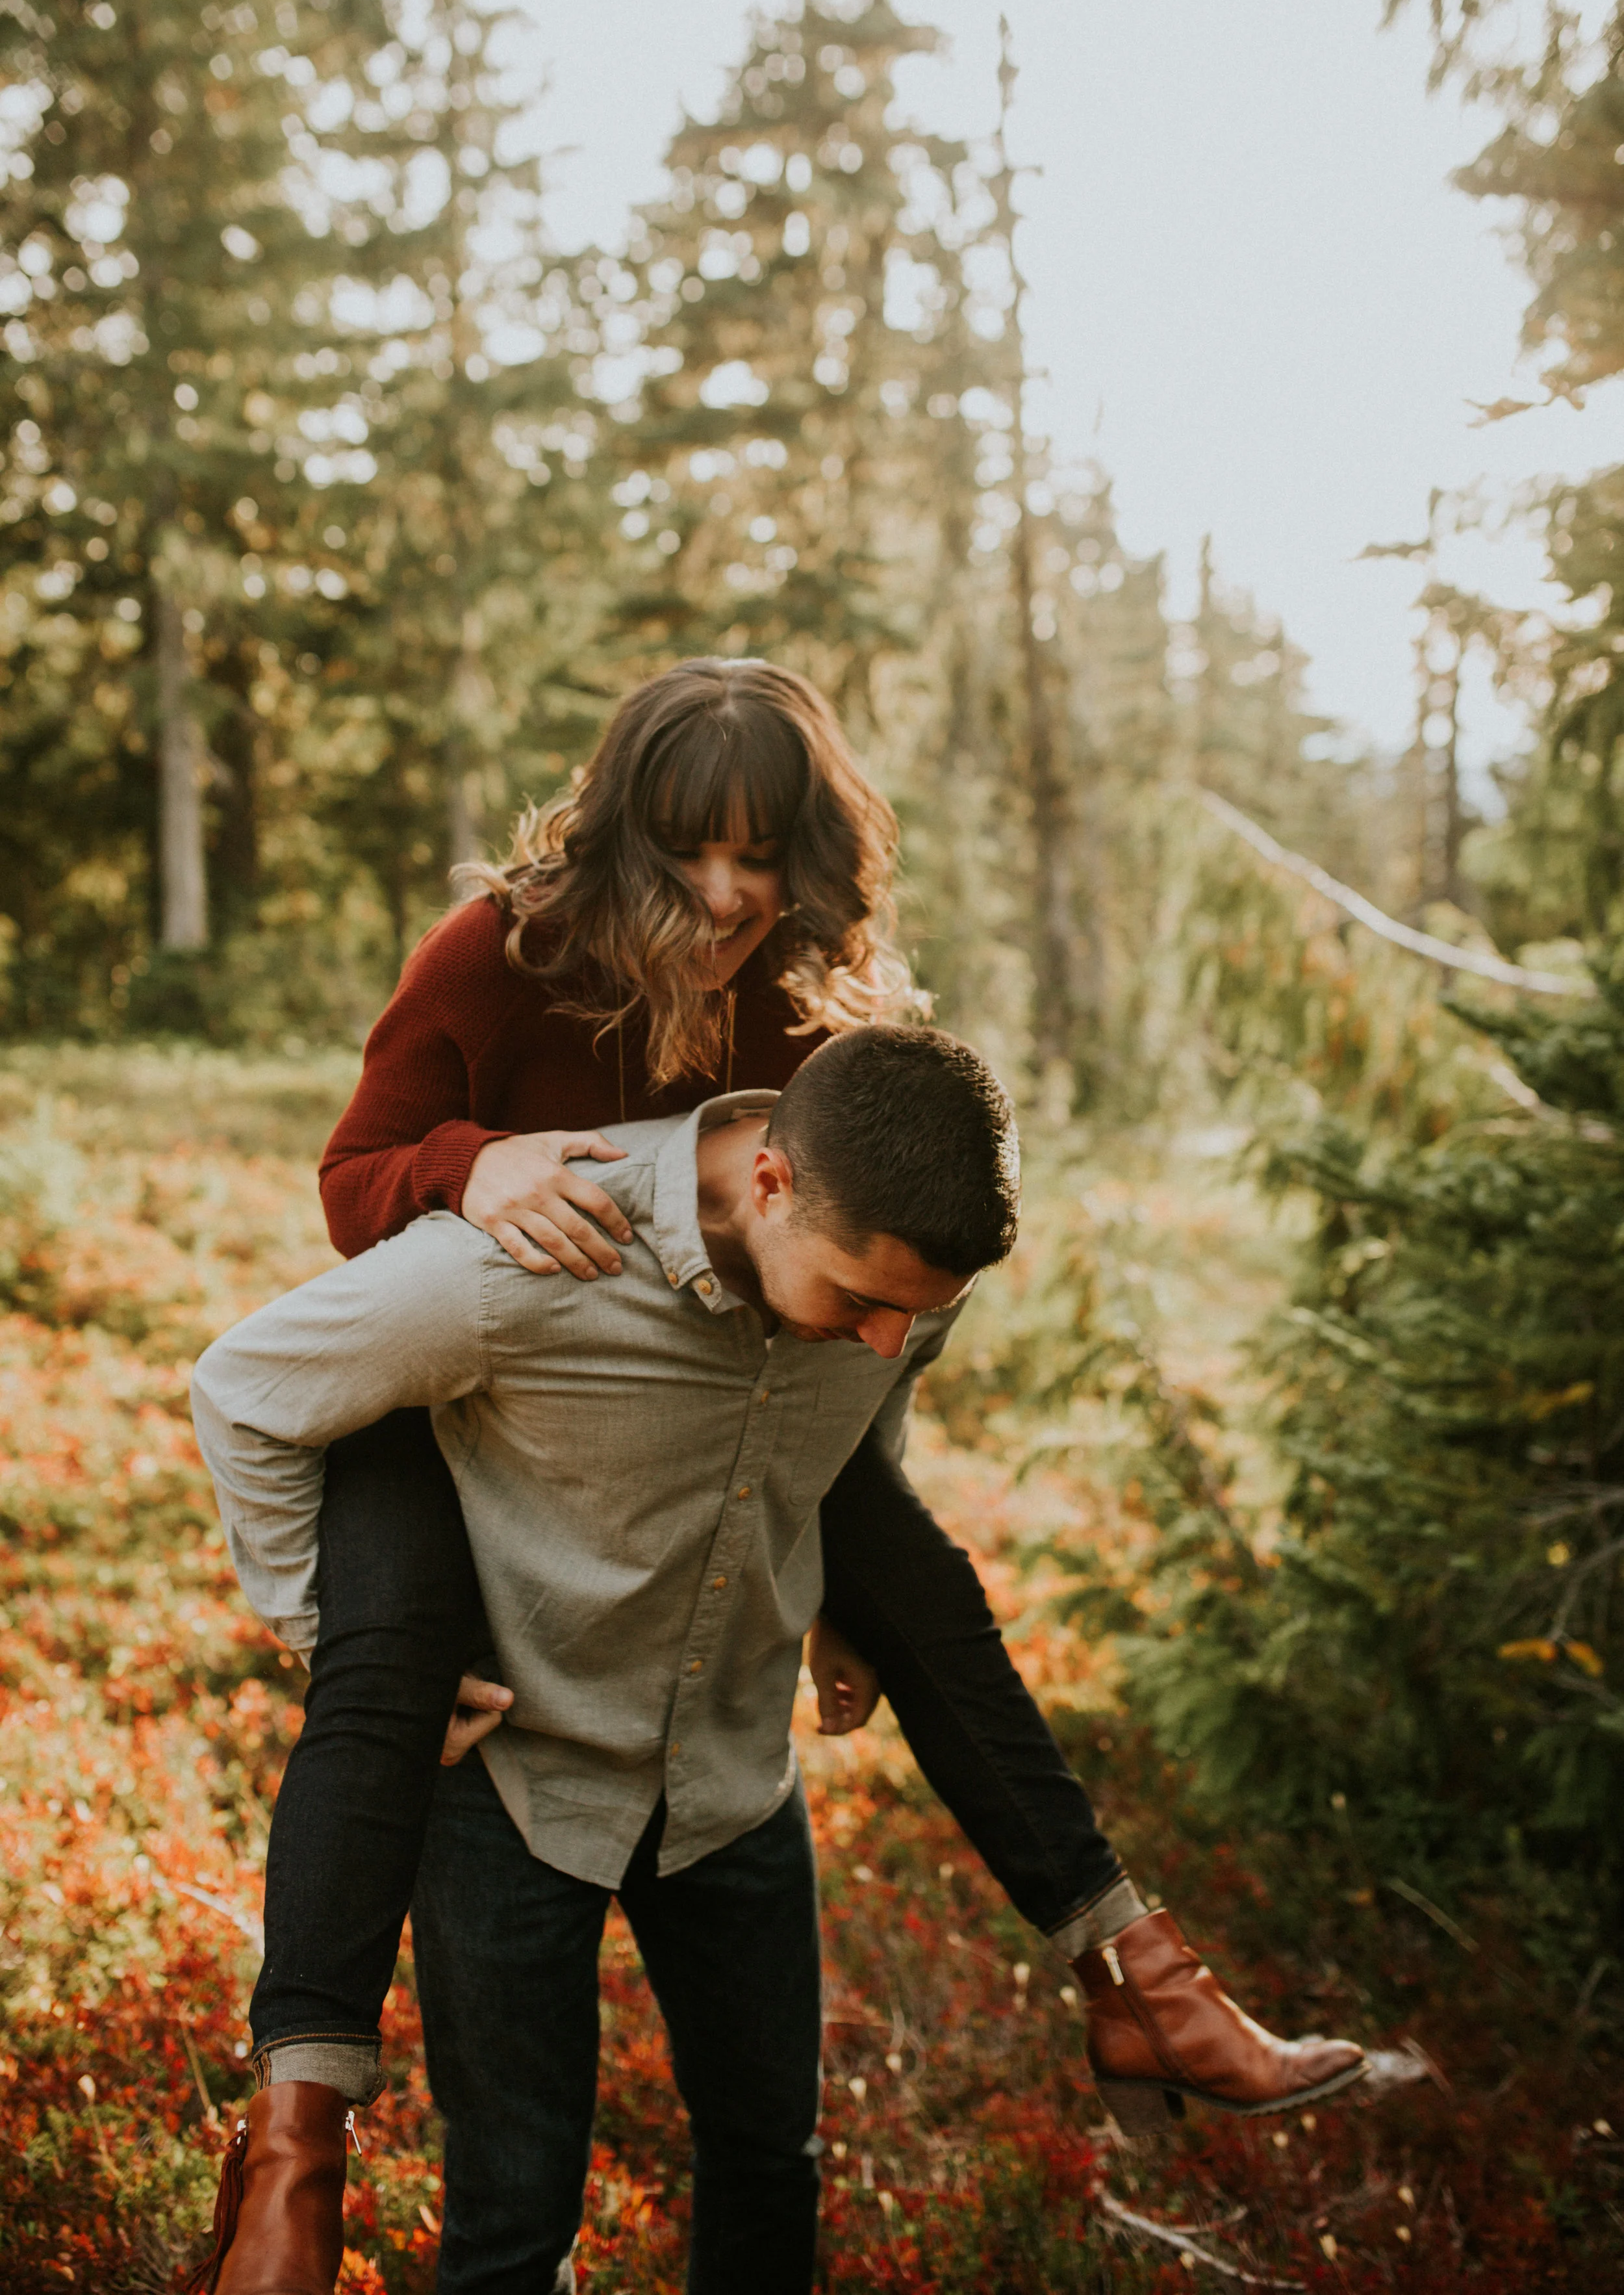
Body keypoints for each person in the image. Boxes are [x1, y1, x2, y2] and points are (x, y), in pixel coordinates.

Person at [188, 661, 1364, 2292]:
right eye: (689, 855)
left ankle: (1136, 1967)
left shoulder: (825, 1004)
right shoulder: (497, 957)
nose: (730, 894)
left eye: (765, 856)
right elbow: (348, 1187)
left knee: (920, 1587)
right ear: (619, 840)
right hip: (469, 1366)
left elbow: (884, 1277)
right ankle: (291, 2148)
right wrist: (475, 1168)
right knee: (388, 1662)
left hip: (763, 1375)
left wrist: (825, 1550)